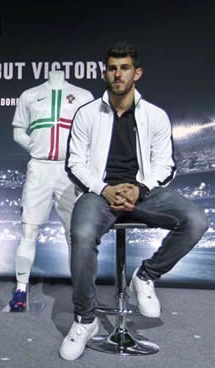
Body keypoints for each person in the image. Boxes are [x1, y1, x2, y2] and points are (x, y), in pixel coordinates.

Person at [59, 42, 208, 360]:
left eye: (124, 67)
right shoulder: (86, 114)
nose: (118, 73)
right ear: (105, 72)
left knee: (197, 220)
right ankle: (85, 320)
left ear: (136, 73)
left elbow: (166, 165)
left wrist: (139, 189)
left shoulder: (155, 116)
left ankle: (146, 276)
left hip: (145, 193)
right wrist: (103, 190)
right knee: (82, 234)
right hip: (99, 194)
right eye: (112, 67)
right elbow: (75, 163)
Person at [9, 71, 93, 311]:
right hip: (40, 167)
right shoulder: (30, 95)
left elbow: (92, 132)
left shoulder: (83, 95)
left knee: (74, 234)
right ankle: (21, 288)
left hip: (71, 171)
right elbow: (18, 131)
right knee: (29, 229)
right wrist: (36, 147)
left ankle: (81, 289)